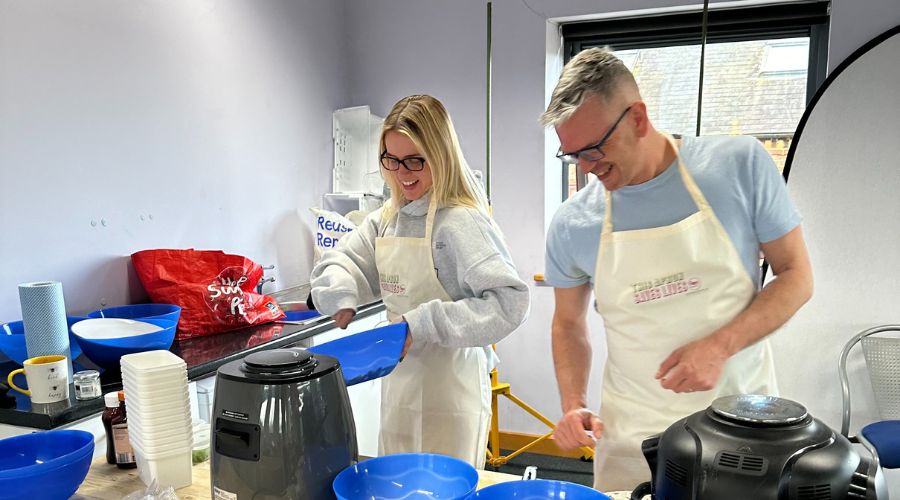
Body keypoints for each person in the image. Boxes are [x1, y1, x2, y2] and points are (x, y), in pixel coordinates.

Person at [540, 48, 813, 491]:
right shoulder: (574, 222)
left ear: (638, 118)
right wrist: (573, 403)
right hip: (632, 438)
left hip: (741, 434)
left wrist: (721, 345)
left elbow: (797, 275)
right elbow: (568, 324)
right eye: (572, 156)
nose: (587, 169)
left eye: (594, 149)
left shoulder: (737, 166)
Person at [309, 94, 530, 468]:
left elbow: (510, 302)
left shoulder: (460, 222)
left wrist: (424, 324)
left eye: (415, 160)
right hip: (400, 383)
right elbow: (341, 259)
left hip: (451, 390)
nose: (402, 173)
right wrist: (341, 292)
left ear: (441, 155)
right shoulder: (387, 218)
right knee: (396, 484)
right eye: (391, 160)